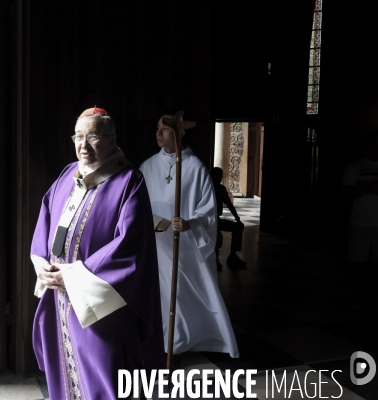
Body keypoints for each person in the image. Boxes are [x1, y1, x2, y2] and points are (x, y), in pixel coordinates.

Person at [31, 107, 164, 399]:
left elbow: (130, 247)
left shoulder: (129, 182)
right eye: (78, 137)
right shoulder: (68, 174)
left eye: (93, 137)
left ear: (112, 140)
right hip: (59, 296)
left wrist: (74, 278)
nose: (83, 145)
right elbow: (46, 221)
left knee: (103, 372)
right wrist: (42, 264)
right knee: (64, 373)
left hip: (99, 303)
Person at [139, 110, 239, 359]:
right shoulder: (147, 166)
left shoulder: (195, 168)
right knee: (160, 295)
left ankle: (187, 338)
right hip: (155, 245)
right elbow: (136, 204)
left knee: (183, 296)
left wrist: (190, 223)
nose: (159, 132)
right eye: (157, 127)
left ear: (180, 133)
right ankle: (165, 342)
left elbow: (208, 211)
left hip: (184, 246)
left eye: (166, 128)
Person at [341, 131, 378, 310]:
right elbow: (346, 193)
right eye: (372, 143)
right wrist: (371, 187)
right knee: (359, 262)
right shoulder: (354, 167)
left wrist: (366, 187)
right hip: (360, 222)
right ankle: (360, 294)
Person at [210, 167, 247, 270]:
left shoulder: (221, 189)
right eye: (217, 176)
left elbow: (229, 204)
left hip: (217, 219)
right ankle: (214, 258)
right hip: (208, 220)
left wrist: (237, 219)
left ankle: (233, 255)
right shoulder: (206, 188)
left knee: (237, 227)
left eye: (220, 176)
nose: (220, 178)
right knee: (217, 236)